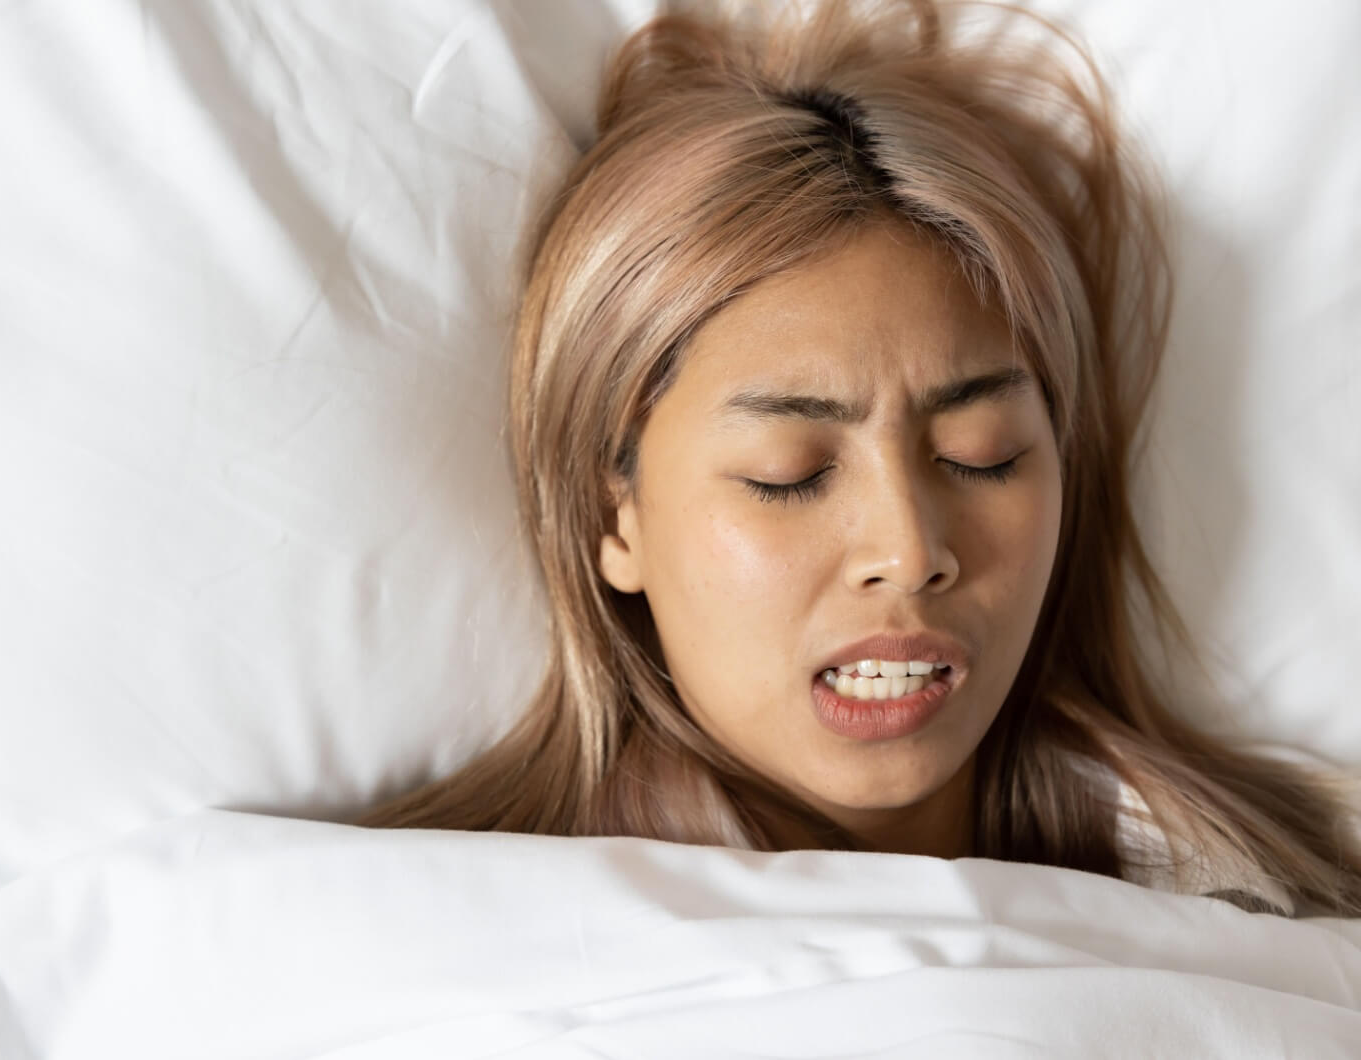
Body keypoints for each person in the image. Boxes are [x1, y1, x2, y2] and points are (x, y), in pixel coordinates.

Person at [361, 0, 1361, 917]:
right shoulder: (422, 924)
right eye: (789, 471)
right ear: (610, 516)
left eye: (983, 454)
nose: (908, 547)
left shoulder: (1286, 915)